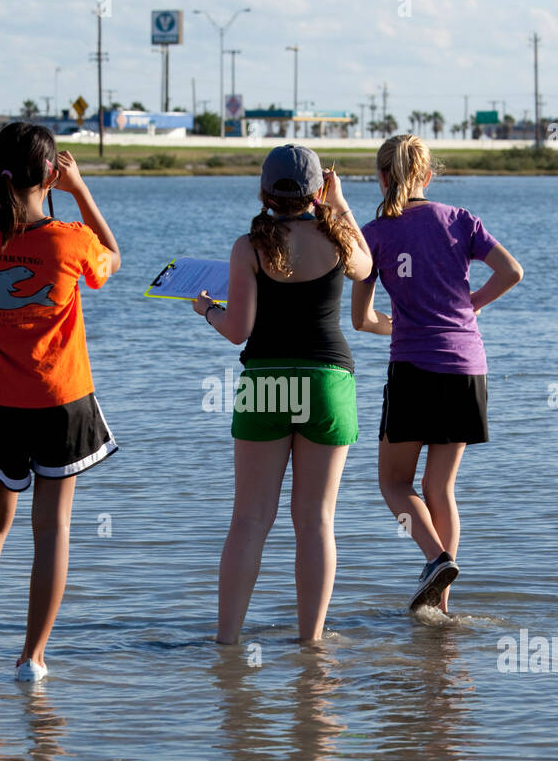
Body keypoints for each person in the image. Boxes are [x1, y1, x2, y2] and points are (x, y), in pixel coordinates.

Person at [0, 123, 120, 683]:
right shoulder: (69, 240)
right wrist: (81, 189)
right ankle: (32, 660)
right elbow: (112, 257)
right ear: (50, 176)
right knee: (53, 528)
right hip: (60, 402)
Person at [193, 145, 372, 644]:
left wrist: (206, 309)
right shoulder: (337, 240)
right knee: (315, 520)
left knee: (249, 519)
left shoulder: (248, 247)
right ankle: (311, 641)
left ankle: (227, 641)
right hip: (327, 382)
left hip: (266, 384)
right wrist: (339, 204)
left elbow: (237, 330)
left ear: (263, 191)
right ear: (318, 189)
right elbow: (366, 265)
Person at [352, 134, 523, 612]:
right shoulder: (460, 220)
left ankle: (435, 558)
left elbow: (361, 321)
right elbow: (512, 272)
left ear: (382, 178)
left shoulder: (375, 234)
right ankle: (441, 603)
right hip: (468, 368)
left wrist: (404, 324)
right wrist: (471, 306)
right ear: (427, 176)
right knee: (439, 488)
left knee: (393, 485)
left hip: (414, 369)